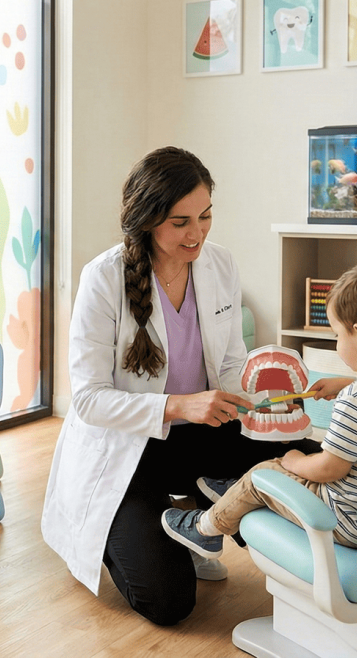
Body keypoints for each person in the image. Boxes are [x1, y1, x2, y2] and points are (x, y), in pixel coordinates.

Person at [41, 146, 319, 627]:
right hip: (128, 451)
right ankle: (115, 529)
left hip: (200, 433)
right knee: (169, 602)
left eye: (206, 216)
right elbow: (87, 400)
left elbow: (231, 360)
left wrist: (262, 404)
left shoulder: (220, 265)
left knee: (304, 455)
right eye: (180, 222)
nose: (197, 234)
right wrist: (176, 406)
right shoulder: (103, 278)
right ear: (148, 220)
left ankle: (211, 507)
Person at [163, 259, 357, 556]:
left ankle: (205, 527)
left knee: (264, 472)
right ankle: (233, 493)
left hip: (348, 523)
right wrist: (348, 383)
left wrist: (293, 461)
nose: (336, 344)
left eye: (337, 335)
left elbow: (329, 468)